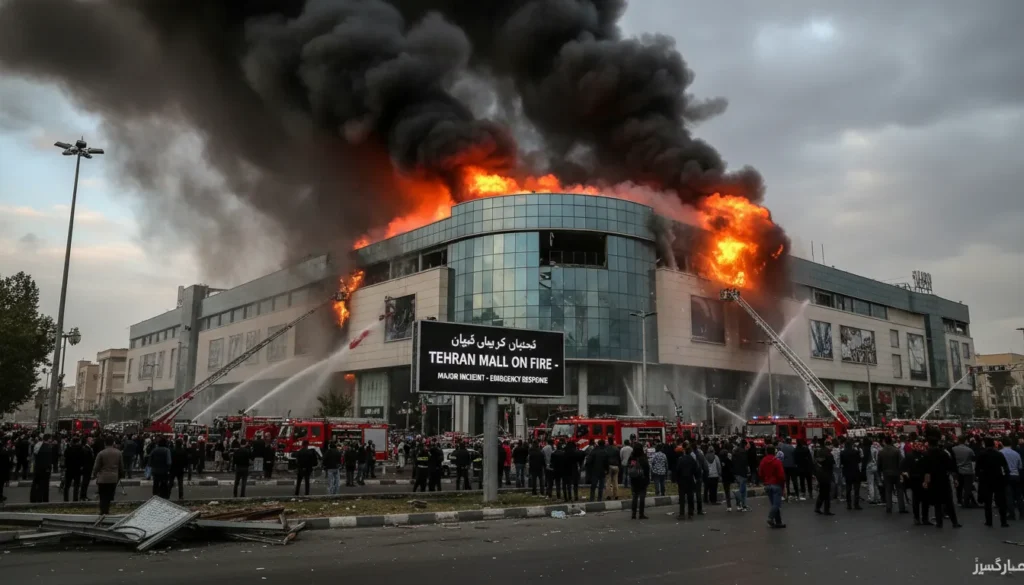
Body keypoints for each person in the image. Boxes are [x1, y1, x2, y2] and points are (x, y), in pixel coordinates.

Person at [922, 437, 961, 528]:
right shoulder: (944, 453)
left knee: (937, 503)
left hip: (933, 481)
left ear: (929, 444)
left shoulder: (927, 455)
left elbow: (927, 471)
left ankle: (939, 523)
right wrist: (955, 479)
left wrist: (926, 482)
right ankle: (954, 522)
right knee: (949, 502)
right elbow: (950, 467)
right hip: (944, 479)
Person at [976, 437, 1010, 527]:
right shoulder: (999, 454)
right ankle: (1003, 521)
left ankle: (989, 521)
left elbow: (977, 468)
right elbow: (1005, 467)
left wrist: (979, 477)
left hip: (986, 480)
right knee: (1001, 501)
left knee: (987, 502)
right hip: (998, 479)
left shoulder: (982, 454)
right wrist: (1005, 478)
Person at [92, 436, 123, 515]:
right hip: (113, 478)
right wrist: (120, 475)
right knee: (109, 495)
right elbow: (121, 466)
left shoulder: (101, 453)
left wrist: (94, 474)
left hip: (102, 478)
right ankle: (107, 510)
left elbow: (96, 466)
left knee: (102, 496)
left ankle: (103, 511)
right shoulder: (118, 453)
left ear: (105, 443)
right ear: (113, 443)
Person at [877, 436, 906, 514]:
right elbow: (901, 461)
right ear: (891, 441)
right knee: (899, 490)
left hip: (886, 473)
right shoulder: (896, 451)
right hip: (896, 473)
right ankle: (901, 507)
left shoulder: (881, 451)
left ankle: (889, 507)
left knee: (888, 490)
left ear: (885, 442)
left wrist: (880, 473)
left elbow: (879, 464)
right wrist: (901, 471)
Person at [759, 445, 786, 528]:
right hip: (776, 484)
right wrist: (783, 486)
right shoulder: (777, 462)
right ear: (774, 451)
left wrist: (765, 480)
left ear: (766, 452)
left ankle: (778, 522)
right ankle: (770, 518)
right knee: (776, 504)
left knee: (774, 504)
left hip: (768, 485)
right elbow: (781, 476)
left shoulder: (763, 461)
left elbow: (760, 473)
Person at [674, 442, 699, 519]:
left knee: (682, 498)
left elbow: (677, 470)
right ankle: (690, 513)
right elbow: (696, 470)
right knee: (690, 497)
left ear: (684, 451)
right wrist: (696, 478)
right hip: (690, 480)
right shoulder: (692, 460)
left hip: (682, 481)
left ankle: (682, 514)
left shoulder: (681, 459)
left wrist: (677, 479)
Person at [1000, 440, 1023, 520]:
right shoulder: (1016, 453)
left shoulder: (1000, 453)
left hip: (1006, 476)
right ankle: (1022, 513)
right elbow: (1020, 466)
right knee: (1018, 495)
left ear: (1002, 444)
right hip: (1016, 475)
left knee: (1009, 495)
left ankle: (1011, 514)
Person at [952, 436, 977, 508]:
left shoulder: (953, 449)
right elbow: (973, 458)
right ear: (965, 441)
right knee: (967, 487)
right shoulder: (969, 450)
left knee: (958, 487)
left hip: (958, 470)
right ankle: (966, 502)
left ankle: (959, 500)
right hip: (968, 470)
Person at [627, 443, 650, 520]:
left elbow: (630, 467)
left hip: (634, 480)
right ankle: (641, 514)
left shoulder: (632, 458)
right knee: (642, 497)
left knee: (635, 497)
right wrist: (647, 479)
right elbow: (647, 469)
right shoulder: (643, 457)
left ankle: (633, 514)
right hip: (643, 480)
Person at [30, 434, 54, 503]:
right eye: (50, 439)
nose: (51, 440)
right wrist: (49, 468)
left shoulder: (38, 445)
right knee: (45, 485)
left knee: (36, 484)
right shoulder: (48, 448)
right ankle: (44, 499)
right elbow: (49, 460)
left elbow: (35, 455)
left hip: (37, 468)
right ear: (48, 439)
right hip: (45, 469)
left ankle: (34, 498)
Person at [813, 439, 835, 515]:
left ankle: (818, 507)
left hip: (820, 474)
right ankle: (826, 510)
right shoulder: (829, 454)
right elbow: (832, 464)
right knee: (827, 493)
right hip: (827, 474)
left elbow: (816, 461)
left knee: (822, 492)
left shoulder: (819, 452)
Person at [840, 438, 863, 510]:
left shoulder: (842, 453)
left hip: (847, 471)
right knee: (856, 489)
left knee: (848, 489)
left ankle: (849, 504)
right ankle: (856, 504)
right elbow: (859, 460)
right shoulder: (856, 452)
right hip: (855, 471)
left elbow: (841, 462)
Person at [62, 436, 85, 502]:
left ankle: (66, 499)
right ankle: (75, 499)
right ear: (78, 442)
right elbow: (83, 460)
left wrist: (65, 467)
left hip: (69, 469)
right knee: (76, 486)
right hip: (77, 469)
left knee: (67, 485)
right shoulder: (81, 449)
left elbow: (65, 458)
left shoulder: (68, 449)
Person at [80, 437, 95, 501]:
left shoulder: (88, 448)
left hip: (87, 468)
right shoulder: (86, 449)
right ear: (88, 441)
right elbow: (87, 460)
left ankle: (83, 495)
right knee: (85, 482)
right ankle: (83, 496)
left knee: (86, 482)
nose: (93, 441)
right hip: (87, 468)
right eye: (91, 440)